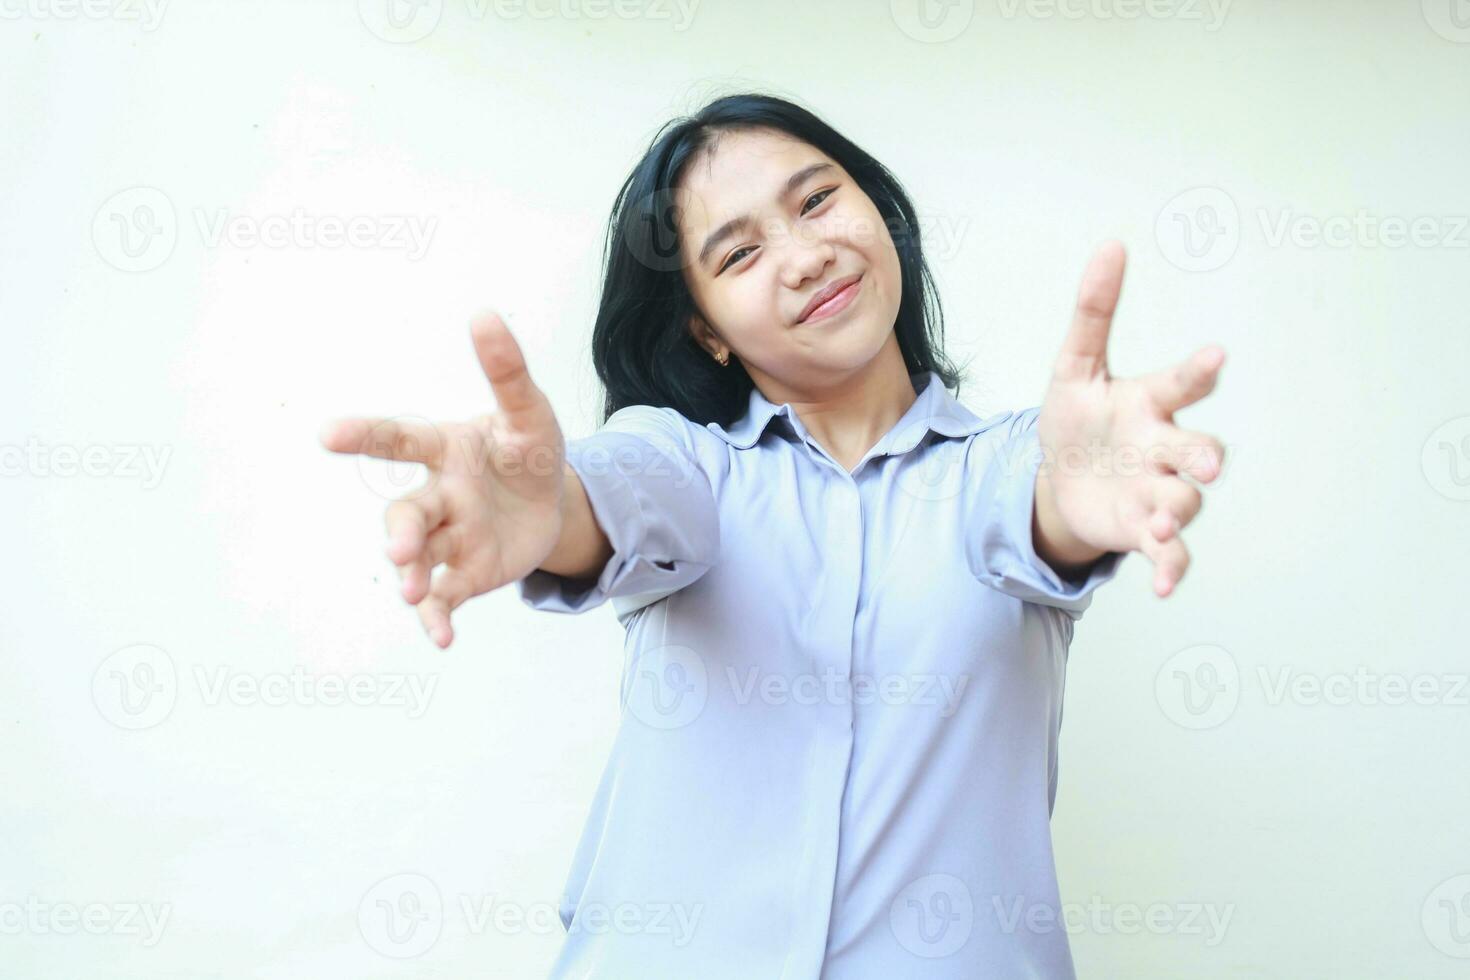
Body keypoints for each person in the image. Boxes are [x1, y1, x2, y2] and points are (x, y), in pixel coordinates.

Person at [320, 93, 1226, 979]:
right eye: (742, 251)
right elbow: (613, 499)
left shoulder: (1003, 465)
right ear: (704, 330)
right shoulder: (688, 464)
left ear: (882, 211)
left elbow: (1040, 513)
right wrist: (545, 506)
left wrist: (1078, 494)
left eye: (819, 200)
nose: (806, 257)